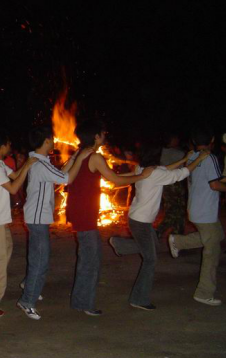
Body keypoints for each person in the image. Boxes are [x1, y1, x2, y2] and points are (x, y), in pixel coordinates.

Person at [66, 121, 154, 316]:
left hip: (77, 210)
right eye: (102, 133)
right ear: (96, 136)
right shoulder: (94, 156)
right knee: (91, 260)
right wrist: (142, 177)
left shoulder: (79, 154)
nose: (105, 136)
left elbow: (64, 175)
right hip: (85, 213)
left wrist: (136, 174)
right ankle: (86, 304)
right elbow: (115, 180)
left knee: (86, 258)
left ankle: (80, 301)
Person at [109, 144, 209, 310]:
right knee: (151, 259)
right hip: (141, 222)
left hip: (137, 219)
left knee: (154, 245)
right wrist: (198, 159)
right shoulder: (154, 173)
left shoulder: (142, 168)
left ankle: (120, 245)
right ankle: (139, 298)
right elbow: (181, 174)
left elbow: (164, 169)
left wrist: (184, 159)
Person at [17, 126, 93, 320]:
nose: (54, 141)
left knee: (38, 257)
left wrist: (75, 157)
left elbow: (59, 175)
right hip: (37, 218)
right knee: (41, 261)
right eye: (52, 139)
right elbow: (66, 178)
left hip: (36, 216)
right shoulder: (40, 164)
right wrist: (82, 158)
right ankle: (27, 301)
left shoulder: (40, 162)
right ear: (46, 141)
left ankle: (29, 285)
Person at [168, 126, 226, 306]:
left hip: (197, 208)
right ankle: (204, 292)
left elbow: (213, 179)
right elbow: (215, 185)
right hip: (205, 212)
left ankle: (178, 241)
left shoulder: (193, 156)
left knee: (217, 235)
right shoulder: (209, 157)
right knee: (212, 253)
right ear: (212, 140)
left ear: (194, 141)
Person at [0, 131, 36, 317]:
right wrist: (27, 168)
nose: (10, 146)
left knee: (4, 251)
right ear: (1, 146)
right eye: (8, 143)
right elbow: (14, 187)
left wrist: (27, 164)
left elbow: (15, 175)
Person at [157, 133, 187, 238]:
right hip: (175, 184)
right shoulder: (179, 153)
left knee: (171, 208)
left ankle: (174, 233)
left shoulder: (160, 152)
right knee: (178, 209)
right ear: (172, 140)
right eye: (176, 138)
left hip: (164, 184)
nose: (177, 140)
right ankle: (175, 233)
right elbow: (184, 169)